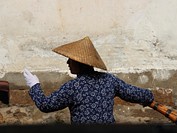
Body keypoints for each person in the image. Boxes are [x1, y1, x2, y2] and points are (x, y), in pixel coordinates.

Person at [23, 36, 154, 125]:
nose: (67, 62)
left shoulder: (73, 87)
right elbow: (134, 93)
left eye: (71, 59)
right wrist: (148, 96)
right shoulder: (109, 80)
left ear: (79, 63)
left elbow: (46, 105)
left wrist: (34, 85)